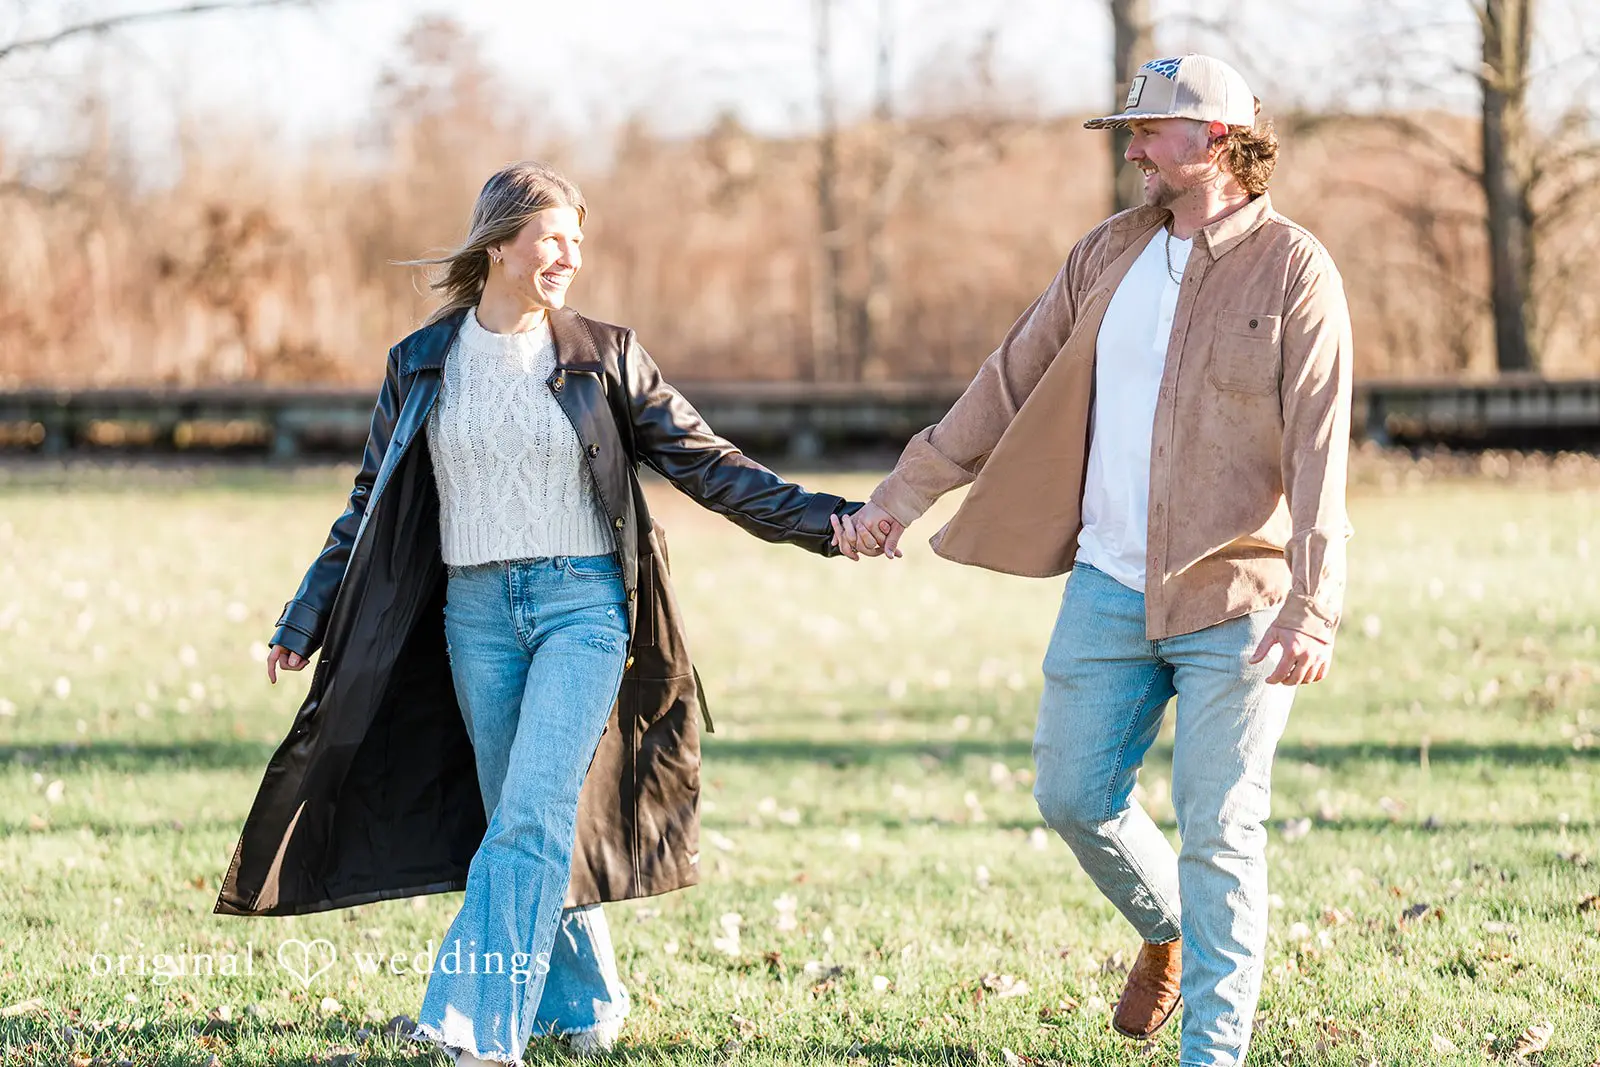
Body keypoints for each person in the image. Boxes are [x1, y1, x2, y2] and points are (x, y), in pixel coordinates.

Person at [219, 160, 865, 1065]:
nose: (569, 256)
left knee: (529, 816)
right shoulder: (422, 361)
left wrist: (829, 523)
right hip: (474, 615)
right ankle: (586, 1003)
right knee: (518, 818)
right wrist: (305, 614)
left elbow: (711, 465)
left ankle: (469, 1030)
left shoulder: (605, 355)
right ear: (499, 240)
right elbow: (368, 502)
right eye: (552, 237)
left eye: (578, 241)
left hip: (582, 607)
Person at [834, 54, 1353, 1066]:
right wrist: (899, 498)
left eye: (1149, 130)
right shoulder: (1107, 253)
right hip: (1108, 584)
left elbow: (1320, 446)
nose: (1131, 148)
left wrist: (1314, 601)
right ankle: (1167, 928)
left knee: (1223, 833)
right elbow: (1002, 383)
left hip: (1236, 594)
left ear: (1215, 141)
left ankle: (1213, 1050)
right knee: (1072, 795)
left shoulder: (1295, 270)